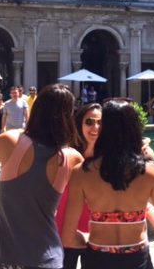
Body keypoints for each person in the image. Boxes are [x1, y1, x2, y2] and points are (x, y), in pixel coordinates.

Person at [0, 83, 84, 269]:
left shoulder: (11, 140)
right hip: (46, 257)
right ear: (69, 116)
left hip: (3, 256)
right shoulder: (72, 158)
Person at [62, 99, 154, 268]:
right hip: (137, 259)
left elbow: (68, 236)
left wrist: (89, 241)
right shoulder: (151, 172)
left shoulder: (81, 173)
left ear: (103, 129)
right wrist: (146, 209)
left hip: (97, 259)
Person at [56, 103, 103, 269]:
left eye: (99, 122)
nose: (95, 127)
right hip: (65, 227)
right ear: (79, 124)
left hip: (95, 231)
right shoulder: (67, 154)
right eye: (89, 122)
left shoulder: (107, 157)